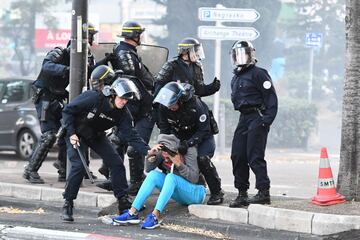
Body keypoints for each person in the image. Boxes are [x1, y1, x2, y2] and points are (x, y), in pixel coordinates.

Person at [61, 78, 150, 222]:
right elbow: (68, 110)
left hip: (96, 136)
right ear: (113, 94)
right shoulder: (93, 98)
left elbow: (131, 135)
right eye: (122, 98)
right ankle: (68, 203)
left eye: (127, 100)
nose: (124, 102)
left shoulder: (123, 113)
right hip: (75, 133)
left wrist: (148, 151)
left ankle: (123, 202)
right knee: (78, 167)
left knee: (116, 163)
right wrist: (71, 133)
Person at [155, 41, 224, 205]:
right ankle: (176, 187)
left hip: (196, 127)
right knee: (164, 156)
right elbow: (158, 84)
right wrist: (162, 106)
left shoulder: (197, 69)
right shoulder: (172, 65)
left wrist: (211, 88)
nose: (198, 53)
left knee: (202, 159)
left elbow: (199, 90)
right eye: (195, 50)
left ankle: (216, 192)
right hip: (178, 121)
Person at [102, 20, 155, 195]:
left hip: (137, 107)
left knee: (127, 145)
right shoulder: (125, 53)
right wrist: (147, 97)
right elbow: (133, 82)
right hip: (135, 107)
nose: (141, 37)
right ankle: (121, 179)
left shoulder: (128, 51)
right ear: (134, 36)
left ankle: (131, 181)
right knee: (121, 143)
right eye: (139, 34)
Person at [112, 134, 206, 229]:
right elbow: (148, 169)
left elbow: (194, 178)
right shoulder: (163, 152)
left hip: (196, 193)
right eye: (163, 155)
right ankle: (132, 212)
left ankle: (155, 216)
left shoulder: (190, 151)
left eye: (168, 157)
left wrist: (179, 164)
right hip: (180, 193)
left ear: (174, 151)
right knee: (153, 174)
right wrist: (150, 154)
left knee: (170, 177)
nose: (165, 159)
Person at [228, 41, 278, 208]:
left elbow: (271, 98)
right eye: (237, 54)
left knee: (254, 156)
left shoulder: (259, 74)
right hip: (244, 118)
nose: (240, 58)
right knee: (238, 155)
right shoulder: (236, 77)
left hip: (257, 117)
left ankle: (264, 192)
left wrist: (266, 120)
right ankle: (242, 193)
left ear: (251, 55)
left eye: (244, 54)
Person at [23, 46, 70, 184]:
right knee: (49, 135)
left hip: (59, 100)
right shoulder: (59, 53)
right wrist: (66, 69)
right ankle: (30, 170)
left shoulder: (84, 59)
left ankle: (63, 168)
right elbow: (47, 66)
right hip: (45, 99)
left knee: (67, 131)